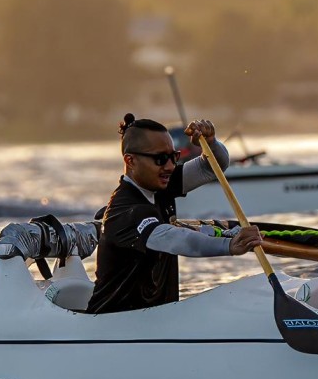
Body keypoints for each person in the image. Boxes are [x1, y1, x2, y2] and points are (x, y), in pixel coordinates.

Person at [88, 114, 263, 315]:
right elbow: (177, 240)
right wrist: (229, 245)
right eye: (160, 159)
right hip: (115, 328)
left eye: (174, 156)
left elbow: (213, 167)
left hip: (155, 321)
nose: (170, 166)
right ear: (131, 160)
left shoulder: (161, 184)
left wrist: (211, 143)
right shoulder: (124, 211)